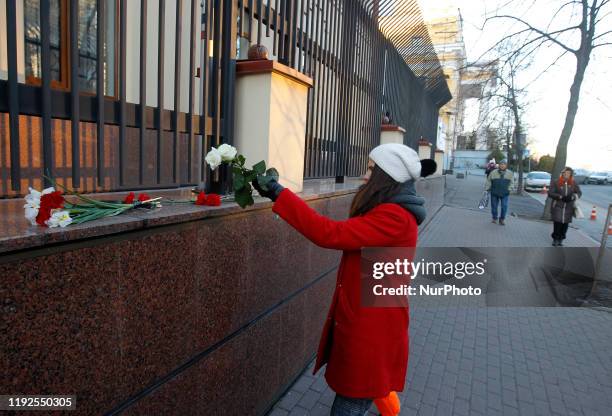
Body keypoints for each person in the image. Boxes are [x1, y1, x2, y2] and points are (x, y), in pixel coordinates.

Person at [252, 143, 437, 416]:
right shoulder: (389, 210)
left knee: (352, 399)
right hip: (371, 322)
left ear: (387, 177)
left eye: (372, 169)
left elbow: (330, 234)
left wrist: (279, 193)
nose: (365, 175)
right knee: (364, 389)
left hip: (374, 330)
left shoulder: (395, 216)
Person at [548, 167, 582, 246]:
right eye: (565, 173)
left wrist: (573, 197)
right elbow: (550, 193)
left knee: (565, 225)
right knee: (557, 224)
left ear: (571, 174)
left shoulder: (573, 183)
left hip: (569, 208)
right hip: (558, 206)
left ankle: (561, 239)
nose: (566, 174)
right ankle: (555, 239)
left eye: (568, 173)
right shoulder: (556, 182)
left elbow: (579, 193)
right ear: (562, 173)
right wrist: (560, 197)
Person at [485, 159, 513, 225]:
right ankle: (494, 218)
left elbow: (512, 183)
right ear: (499, 165)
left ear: (506, 165)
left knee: (504, 206)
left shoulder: (510, 173)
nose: (502, 165)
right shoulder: (493, 172)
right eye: (501, 164)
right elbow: (488, 181)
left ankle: (502, 219)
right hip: (494, 192)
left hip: (505, 193)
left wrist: (509, 189)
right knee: (494, 206)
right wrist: (487, 189)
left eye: (504, 164)